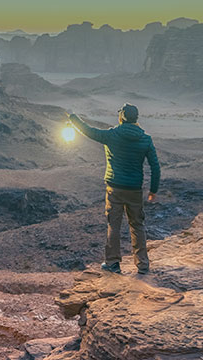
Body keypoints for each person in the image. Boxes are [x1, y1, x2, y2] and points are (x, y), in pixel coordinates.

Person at [67, 103, 160, 275]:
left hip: (114, 188)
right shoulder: (146, 139)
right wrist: (153, 191)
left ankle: (113, 263)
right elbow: (155, 166)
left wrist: (72, 117)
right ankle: (142, 265)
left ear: (122, 116)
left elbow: (88, 130)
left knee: (114, 225)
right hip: (134, 189)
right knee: (137, 225)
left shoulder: (111, 135)